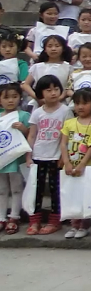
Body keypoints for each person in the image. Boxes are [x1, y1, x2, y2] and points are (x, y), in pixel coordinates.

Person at [25, 75, 73, 235]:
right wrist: (28, 155)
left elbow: (68, 136)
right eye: (48, 90)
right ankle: (34, 221)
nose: (53, 93)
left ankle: (55, 220)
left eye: (56, 89)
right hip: (38, 156)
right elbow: (32, 135)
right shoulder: (37, 112)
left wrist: (64, 157)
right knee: (36, 189)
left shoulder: (66, 111)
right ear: (41, 93)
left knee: (55, 190)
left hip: (56, 157)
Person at [60, 88, 91, 238]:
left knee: (85, 196)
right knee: (71, 195)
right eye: (77, 103)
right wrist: (66, 162)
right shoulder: (69, 123)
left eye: (84, 103)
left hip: (87, 167)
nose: (80, 107)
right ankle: (74, 224)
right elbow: (63, 144)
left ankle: (84, 225)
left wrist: (82, 164)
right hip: (69, 165)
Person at [0, 83, 28, 235]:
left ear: (20, 98)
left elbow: (31, 134)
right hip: (2, 158)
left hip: (17, 158)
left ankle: (14, 217)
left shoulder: (23, 116)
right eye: (6, 97)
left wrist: (23, 128)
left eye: (14, 96)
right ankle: (1, 217)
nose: (10, 100)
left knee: (17, 187)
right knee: (2, 189)